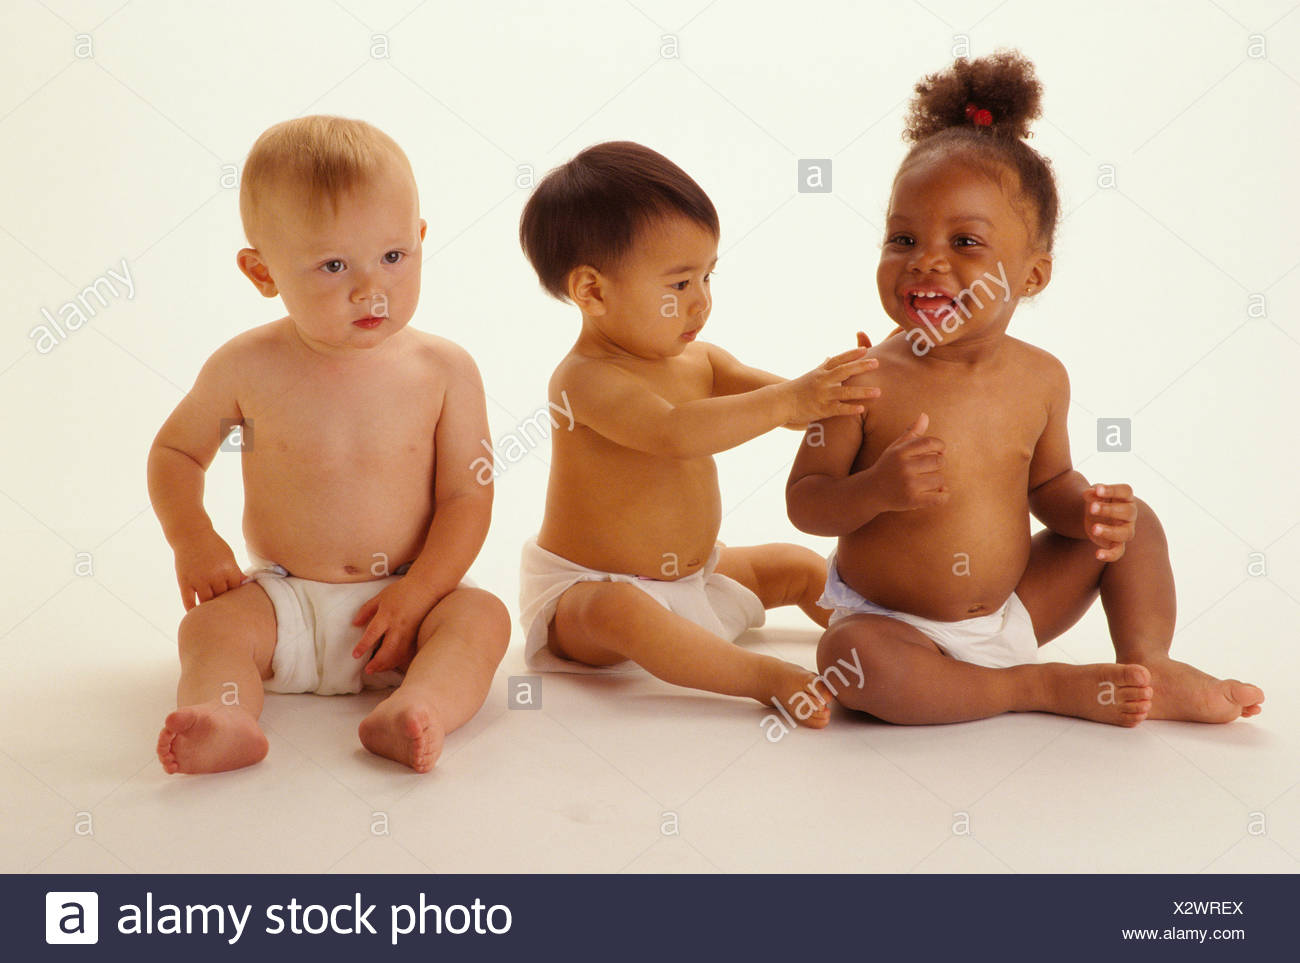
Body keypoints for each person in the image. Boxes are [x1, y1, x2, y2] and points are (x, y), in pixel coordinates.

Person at [786, 52, 1264, 726]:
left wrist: (1090, 510)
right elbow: (805, 502)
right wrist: (876, 491)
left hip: (1015, 609)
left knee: (1136, 527)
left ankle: (1147, 658)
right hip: (896, 629)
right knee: (850, 658)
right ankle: (1036, 688)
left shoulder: (1041, 377)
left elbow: (1048, 488)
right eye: (903, 236)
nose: (926, 259)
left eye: (964, 241)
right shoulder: (860, 380)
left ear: (1034, 275)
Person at [150, 116, 509, 773]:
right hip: (283, 599)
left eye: (394, 256)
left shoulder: (443, 370)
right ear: (262, 272)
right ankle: (228, 714)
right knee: (209, 630)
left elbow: (467, 496)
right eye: (334, 264)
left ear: (421, 239)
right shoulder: (246, 366)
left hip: (404, 604)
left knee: (482, 618)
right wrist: (193, 538)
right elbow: (176, 453)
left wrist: (422, 592)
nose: (370, 287)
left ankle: (419, 707)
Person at [517, 141, 876, 726]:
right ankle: (762, 678)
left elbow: (788, 408)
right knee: (624, 613)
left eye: (708, 275)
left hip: (696, 574)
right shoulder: (584, 380)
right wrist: (793, 396)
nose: (702, 301)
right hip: (589, 594)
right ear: (593, 292)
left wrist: (837, 393)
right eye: (679, 285)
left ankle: (880, 642)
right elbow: (675, 432)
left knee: (798, 564)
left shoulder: (701, 361)